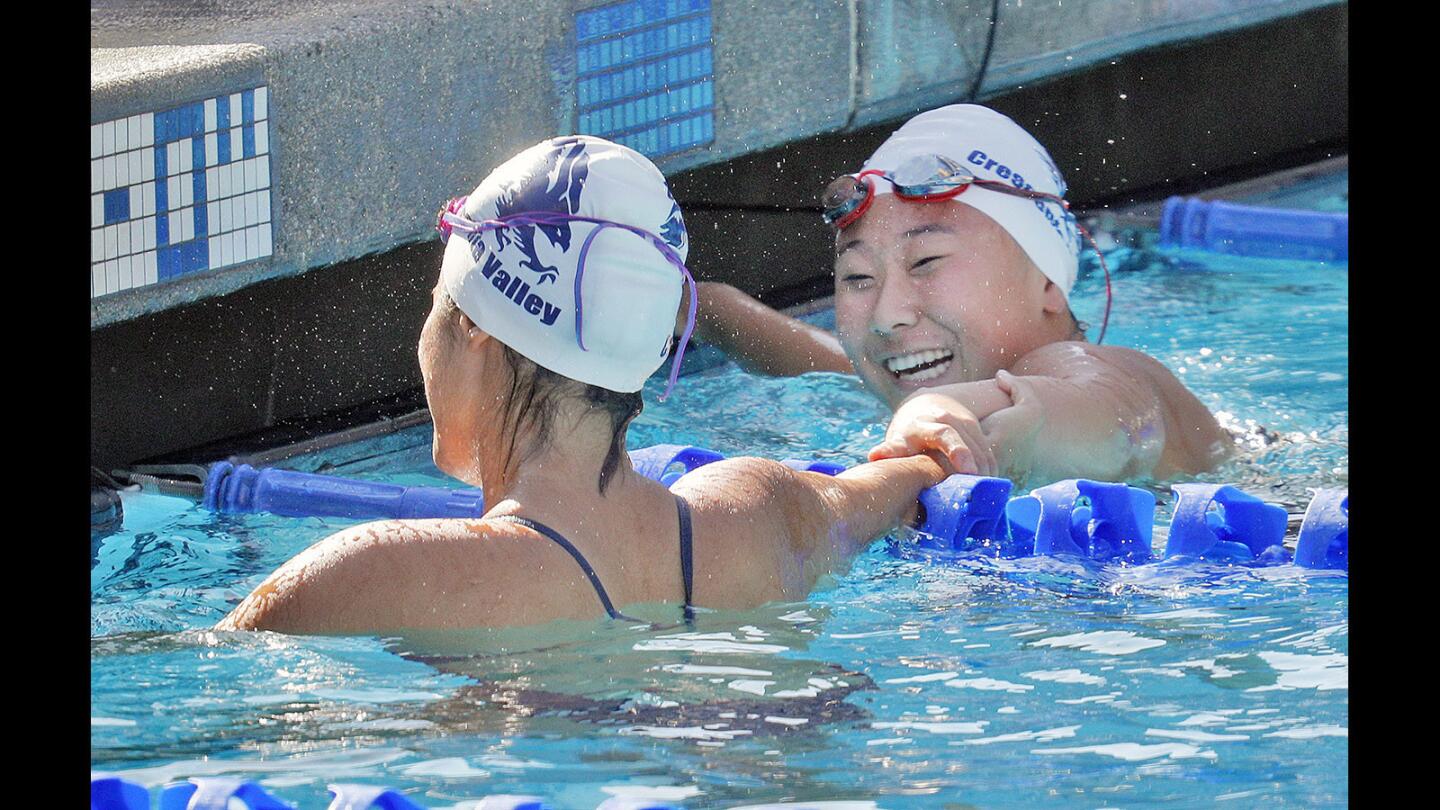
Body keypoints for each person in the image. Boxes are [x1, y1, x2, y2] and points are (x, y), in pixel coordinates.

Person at [218, 136, 953, 635]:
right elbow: (885, 486)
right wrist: (932, 455)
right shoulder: (763, 511)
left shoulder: (373, 573)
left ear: (476, 323)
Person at [686, 104, 1230, 485]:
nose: (887, 317)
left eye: (925, 262)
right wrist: (702, 308)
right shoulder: (921, 373)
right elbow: (824, 363)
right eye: (858, 278)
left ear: (1045, 281)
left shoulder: (1107, 374)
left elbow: (1111, 418)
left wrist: (941, 409)